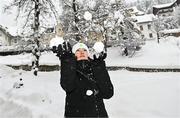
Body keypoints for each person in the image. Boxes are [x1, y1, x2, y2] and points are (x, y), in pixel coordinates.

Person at [55, 41, 114, 117]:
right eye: (78, 50)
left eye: (84, 50)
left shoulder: (95, 68)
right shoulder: (70, 69)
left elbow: (108, 93)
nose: (82, 52)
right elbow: (67, 86)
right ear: (73, 54)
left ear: (88, 54)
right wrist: (67, 61)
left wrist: (99, 66)